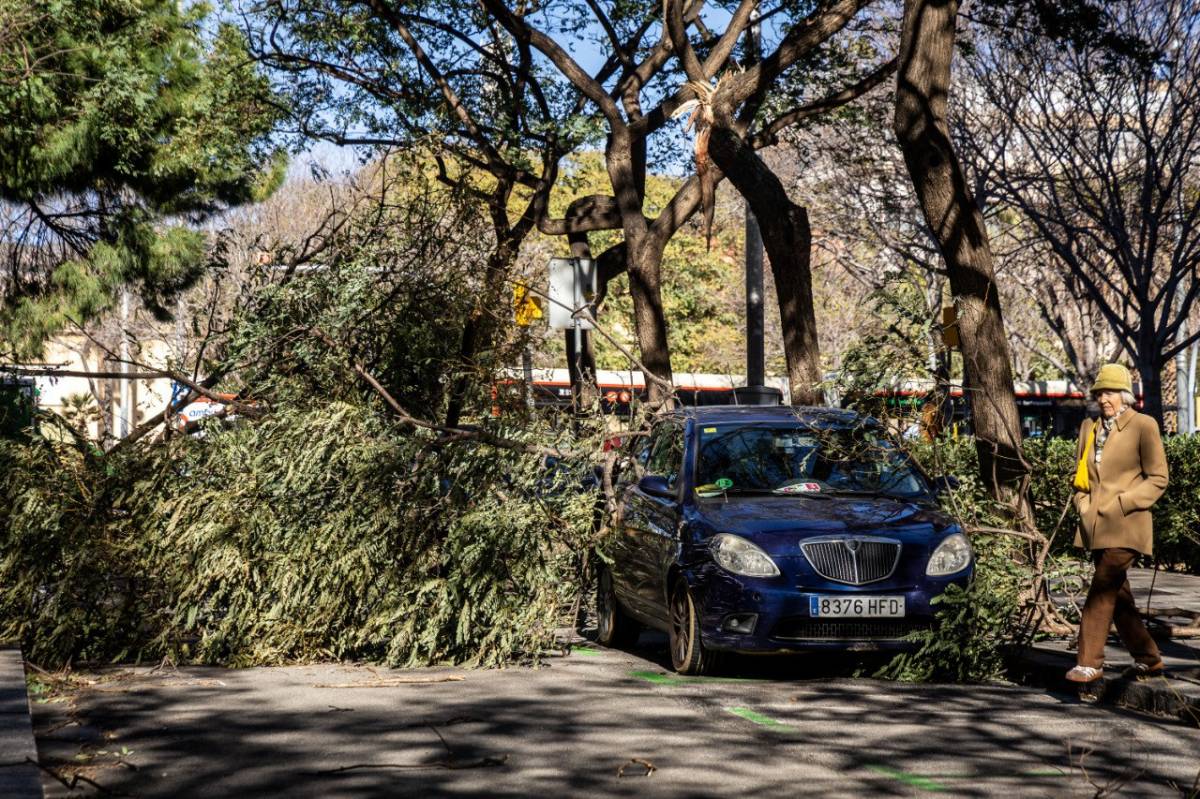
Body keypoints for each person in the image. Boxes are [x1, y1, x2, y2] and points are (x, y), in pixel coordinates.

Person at [1066, 363, 1169, 684]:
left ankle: (1089, 662)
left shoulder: (1143, 425)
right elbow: (1080, 474)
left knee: (1101, 589)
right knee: (1118, 596)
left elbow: (1158, 478)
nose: (1104, 398)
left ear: (1125, 395)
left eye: (1110, 392)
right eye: (1099, 392)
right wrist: (1082, 506)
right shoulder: (1089, 427)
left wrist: (1124, 502)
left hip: (1128, 524)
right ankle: (1148, 658)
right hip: (1095, 525)